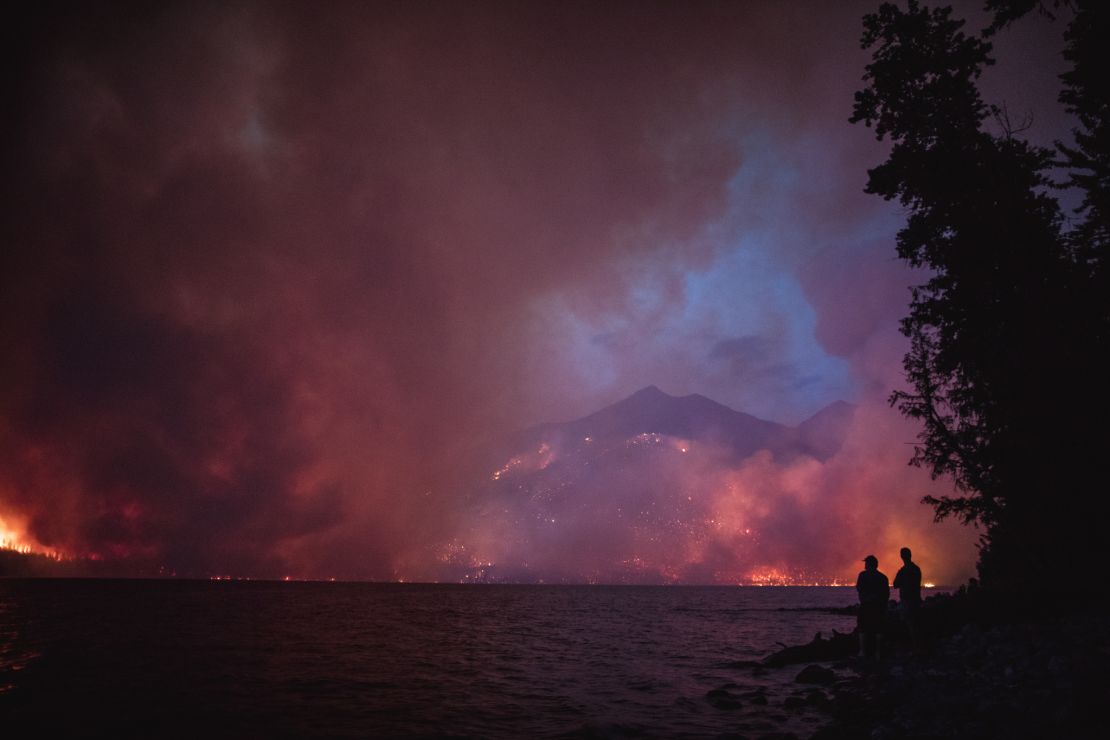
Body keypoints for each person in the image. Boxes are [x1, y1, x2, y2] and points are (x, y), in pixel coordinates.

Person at [855, 554, 889, 659]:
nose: (864, 565)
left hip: (865, 605)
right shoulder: (883, 577)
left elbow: (859, 588)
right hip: (878, 606)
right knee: (879, 629)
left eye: (866, 563)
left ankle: (862, 652)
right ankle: (878, 653)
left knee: (862, 629)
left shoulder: (862, 575)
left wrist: (866, 598)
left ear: (869, 564)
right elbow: (886, 594)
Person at [893, 546, 923, 653]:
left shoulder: (903, 570)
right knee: (916, 624)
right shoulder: (916, 569)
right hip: (916, 599)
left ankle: (914, 647)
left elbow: (895, 584)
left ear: (901, 557)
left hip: (906, 600)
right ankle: (918, 646)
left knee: (909, 624)